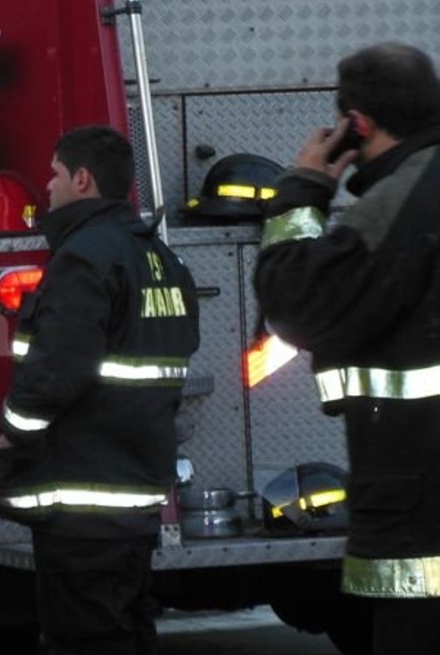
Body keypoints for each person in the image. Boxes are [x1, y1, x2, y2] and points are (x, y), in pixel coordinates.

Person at [253, 43, 440, 655]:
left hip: (421, 495)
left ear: (355, 125)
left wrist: (303, 189)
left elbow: (300, 307)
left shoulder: (401, 203)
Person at [0, 126, 200, 655]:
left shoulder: (84, 257)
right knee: (127, 630)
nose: (48, 185)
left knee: (84, 637)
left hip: (83, 504)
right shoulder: (159, 258)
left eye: (56, 174)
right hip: (136, 496)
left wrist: (12, 433)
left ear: (82, 179)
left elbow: (58, 368)